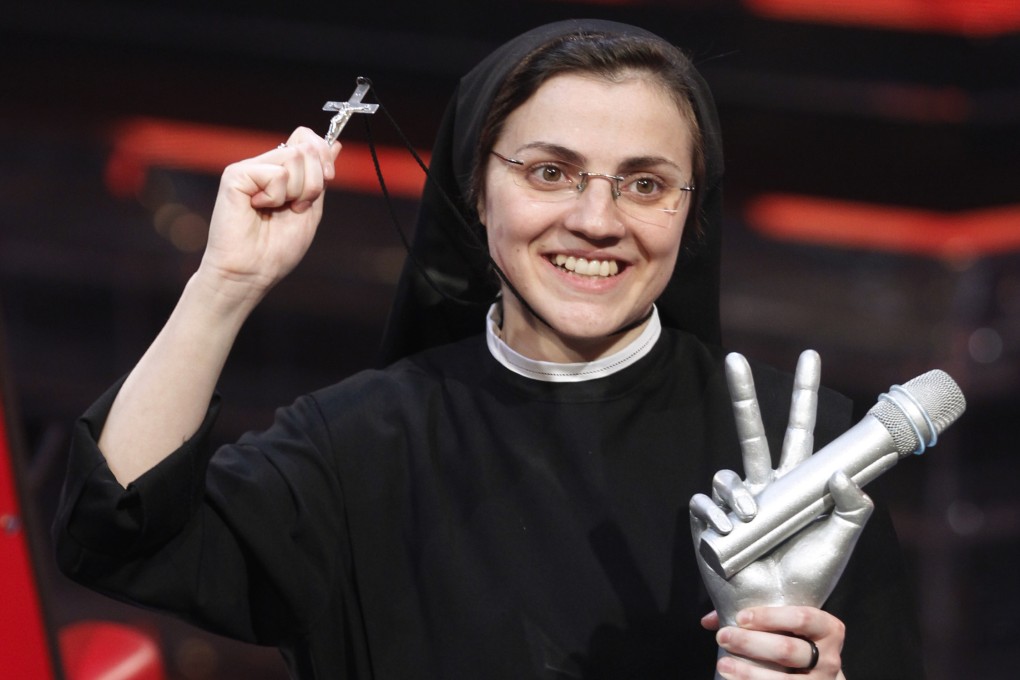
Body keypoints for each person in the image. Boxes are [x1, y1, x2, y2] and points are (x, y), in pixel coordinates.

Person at [53, 19, 925, 680]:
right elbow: (116, 532)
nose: (596, 218)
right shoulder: (360, 445)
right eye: (549, 172)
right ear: (476, 189)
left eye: (646, 183)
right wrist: (225, 285)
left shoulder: (809, 459)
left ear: (689, 215)